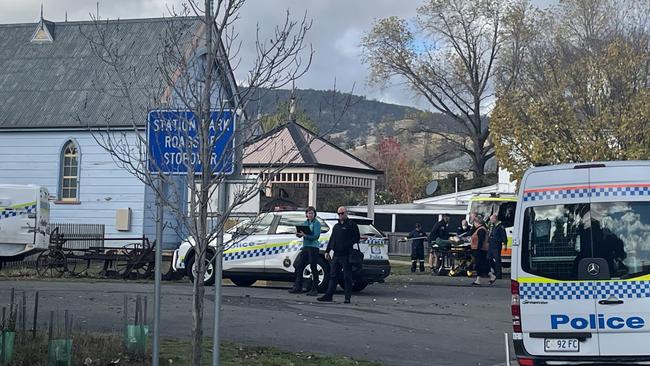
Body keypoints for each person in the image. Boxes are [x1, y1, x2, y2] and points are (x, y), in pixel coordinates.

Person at [318, 206, 360, 304]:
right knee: (333, 275)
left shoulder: (351, 225)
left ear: (346, 213)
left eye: (342, 213)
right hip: (336, 255)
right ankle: (329, 295)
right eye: (339, 214)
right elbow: (332, 239)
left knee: (347, 276)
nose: (340, 215)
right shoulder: (336, 227)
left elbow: (356, 238)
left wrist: (346, 245)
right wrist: (327, 251)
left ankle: (347, 297)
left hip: (346, 254)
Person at [289, 206, 322, 295]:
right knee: (299, 266)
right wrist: (299, 234)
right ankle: (298, 287)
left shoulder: (317, 223)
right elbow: (302, 234)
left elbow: (316, 236)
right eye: (309, 213)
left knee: (313, 267)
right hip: (306, 246)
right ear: (306, 214)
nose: (310, 215)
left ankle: (314, 289)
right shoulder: (305, 223)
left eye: (312, 213)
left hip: (313, 247)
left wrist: (305, 235)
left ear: (314, 214)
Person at [471, 215, 494, 285]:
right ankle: (491, 275)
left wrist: (478, 249)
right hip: (480, 249)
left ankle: (479, 280)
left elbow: (480, 241)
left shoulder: (481, 230)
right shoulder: (480, 229)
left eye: (474, 223)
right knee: (482, 264)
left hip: (480, 250)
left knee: (479, 264)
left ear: (477, 222)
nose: (474, 224)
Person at [487, 214, 507, 280]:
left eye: (491, 219)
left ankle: (498, 274)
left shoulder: (500, 226)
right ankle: (495, 271)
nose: (491, 221)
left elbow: (504, 235)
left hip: (496, 245)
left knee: (497, 260)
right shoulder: (492, 225)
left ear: (495, 219)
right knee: (488, 258)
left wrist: (505, 244)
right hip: (490, 245)